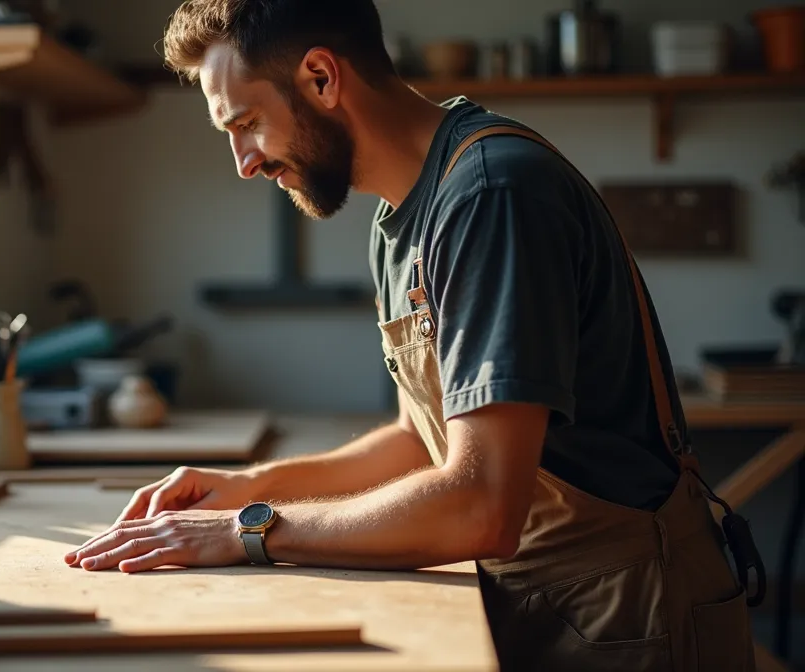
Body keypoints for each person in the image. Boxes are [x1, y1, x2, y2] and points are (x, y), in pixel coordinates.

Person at [63, 1, 764, 670]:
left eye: (245, 123)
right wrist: (249, 484)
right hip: (550, 599)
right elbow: (417, 439)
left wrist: (247, 530)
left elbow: (483, 504)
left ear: (321, 77)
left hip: (631, 613)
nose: (244, 161)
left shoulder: (493, 195)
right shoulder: (402, 217)